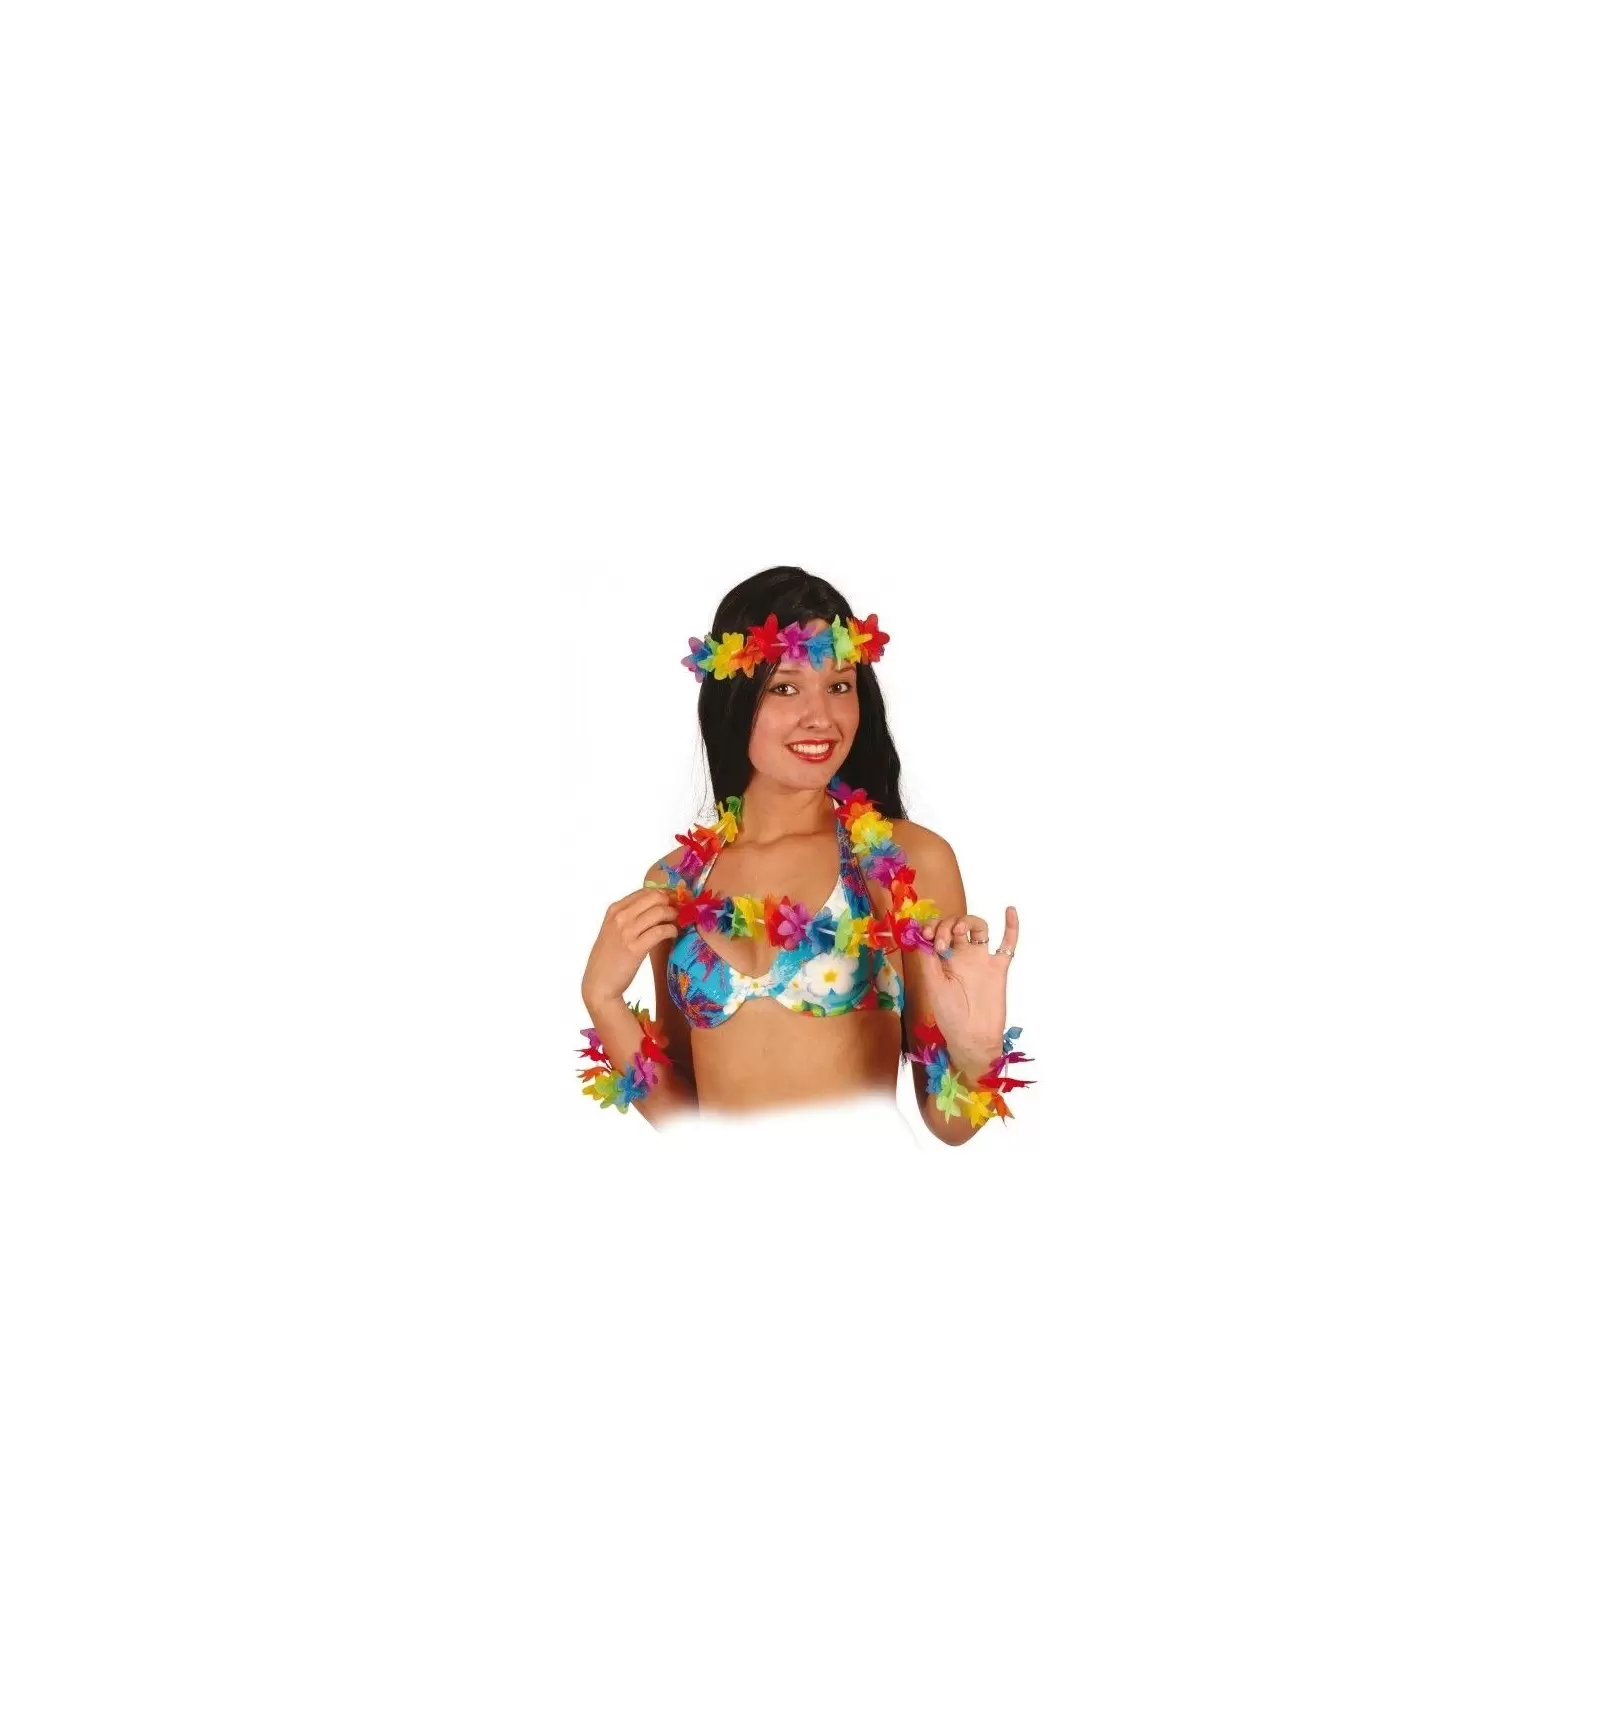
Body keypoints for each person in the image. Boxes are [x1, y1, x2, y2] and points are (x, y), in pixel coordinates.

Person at [576, 566, 1031, 1143]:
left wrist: (976, 1052)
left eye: (840, 686)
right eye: (786, 687)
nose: (822, 717)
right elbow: (689, 1124)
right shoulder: (676, 882)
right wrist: (603, 999)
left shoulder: (899, 861)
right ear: (735, 696)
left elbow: (951, 1125)